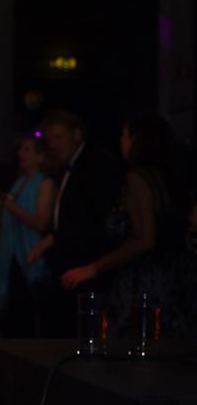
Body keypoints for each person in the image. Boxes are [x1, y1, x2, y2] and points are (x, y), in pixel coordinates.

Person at [59, 114, 195, 338]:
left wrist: (93, 268)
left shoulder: (137, 179)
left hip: (146, 282)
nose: (120, 141)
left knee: (137, 344)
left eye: (124, 135)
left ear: (138, 140)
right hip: (177, 277)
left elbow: (144, 239)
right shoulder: (170, 177)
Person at [27, 110, 122, 336]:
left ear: (77, 134)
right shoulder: (72, 166)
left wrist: (58, 241)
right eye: (50, 139)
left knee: (84, 331)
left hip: (87, 266)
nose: (53, 145)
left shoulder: (93, 163)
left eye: (58, 137)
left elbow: (94, 217)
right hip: (74, 267)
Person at [0, 134, 56, 336]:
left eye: (27, 149)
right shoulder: (19, 182)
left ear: (41, 156)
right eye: (20, 149)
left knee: (28, 319)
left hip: (31, 256)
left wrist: (11, 208)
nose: (20, 153)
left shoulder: (45, 183)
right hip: (11, 256)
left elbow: (41, 223)